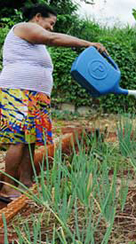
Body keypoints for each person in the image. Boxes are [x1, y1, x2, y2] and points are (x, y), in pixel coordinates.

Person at [0, 3, 107, 200]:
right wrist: (88, 44)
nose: (52, 27)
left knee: (30, 140)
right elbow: (53, 38)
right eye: (51, 23)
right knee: (17, 139)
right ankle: (7, 187)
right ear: (38, 17)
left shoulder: (35, 42)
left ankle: (26, 182)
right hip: (18, 92)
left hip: (35, 94)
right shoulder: (24, 27)